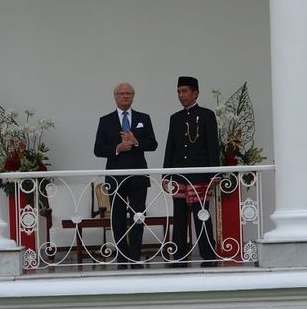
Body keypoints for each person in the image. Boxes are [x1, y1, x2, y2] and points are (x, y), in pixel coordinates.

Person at [94, 82, 157, 268]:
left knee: (138, 216)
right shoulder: (105, 120)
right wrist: (117, 148)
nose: (125, 96)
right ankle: (122, 257)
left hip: (138, 175)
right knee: (118, 218)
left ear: (133, 96)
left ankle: (134, 257)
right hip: (116, 176)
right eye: (121, 93)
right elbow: (97, 149)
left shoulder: (143, 118)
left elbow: (153, 144)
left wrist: (137, 142)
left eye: (129, 93)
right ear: (115, 96)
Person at [163, 76, 219, 267]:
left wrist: (216, 173)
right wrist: (165, 175)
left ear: (195, 93)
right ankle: (178, 257)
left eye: (185, 91)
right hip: (179, 175)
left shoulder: (207, 115)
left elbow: (213, 146)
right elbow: (170, 148)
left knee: (202, 216)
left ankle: (208, 255)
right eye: (179, 92)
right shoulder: (175, 118)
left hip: (200, 175)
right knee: (179, 218)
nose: (181, 95)